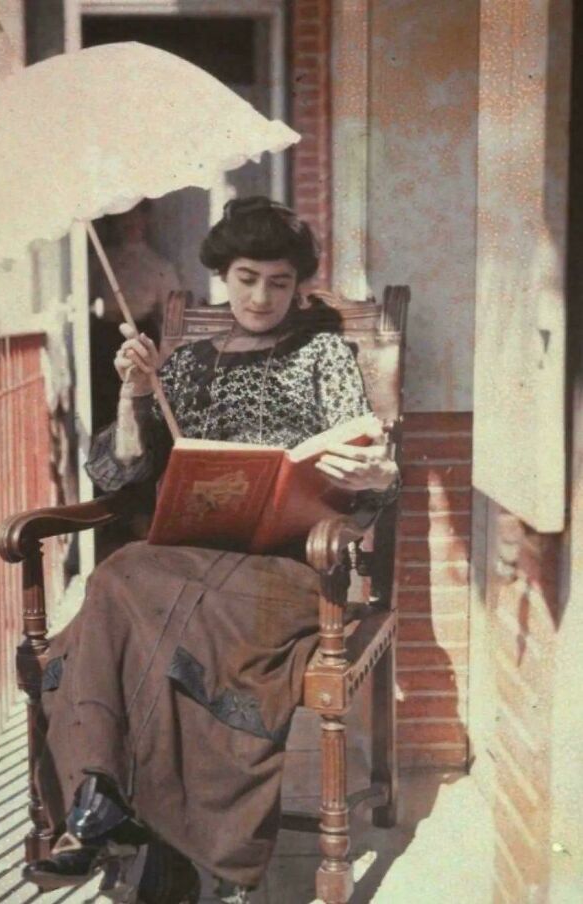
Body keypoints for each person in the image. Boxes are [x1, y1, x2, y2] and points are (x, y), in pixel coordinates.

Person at [24, 197, 400, 903]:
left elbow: (367, 460)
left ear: (296, 285)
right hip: (190, 560)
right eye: (248, 278)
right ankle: (112, 796)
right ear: (224, 277)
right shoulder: (189, 364)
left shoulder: (325, 355)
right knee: (123, 575)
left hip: (288, 567)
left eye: (280, 282)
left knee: (160, 614)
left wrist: (377, 472)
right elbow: (122, 475)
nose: (263, 296)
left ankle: (129, 818)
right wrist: (136, 396)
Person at [89, 200, 181, 430]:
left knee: (137, 404)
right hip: (103, 338)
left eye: (136, 217)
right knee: (104, 404)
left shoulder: (160, 265)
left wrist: (164, 358)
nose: (130, 223)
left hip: (140, 335)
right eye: (124, 217)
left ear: (146, 219)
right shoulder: (101, 260)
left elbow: (173, 319)